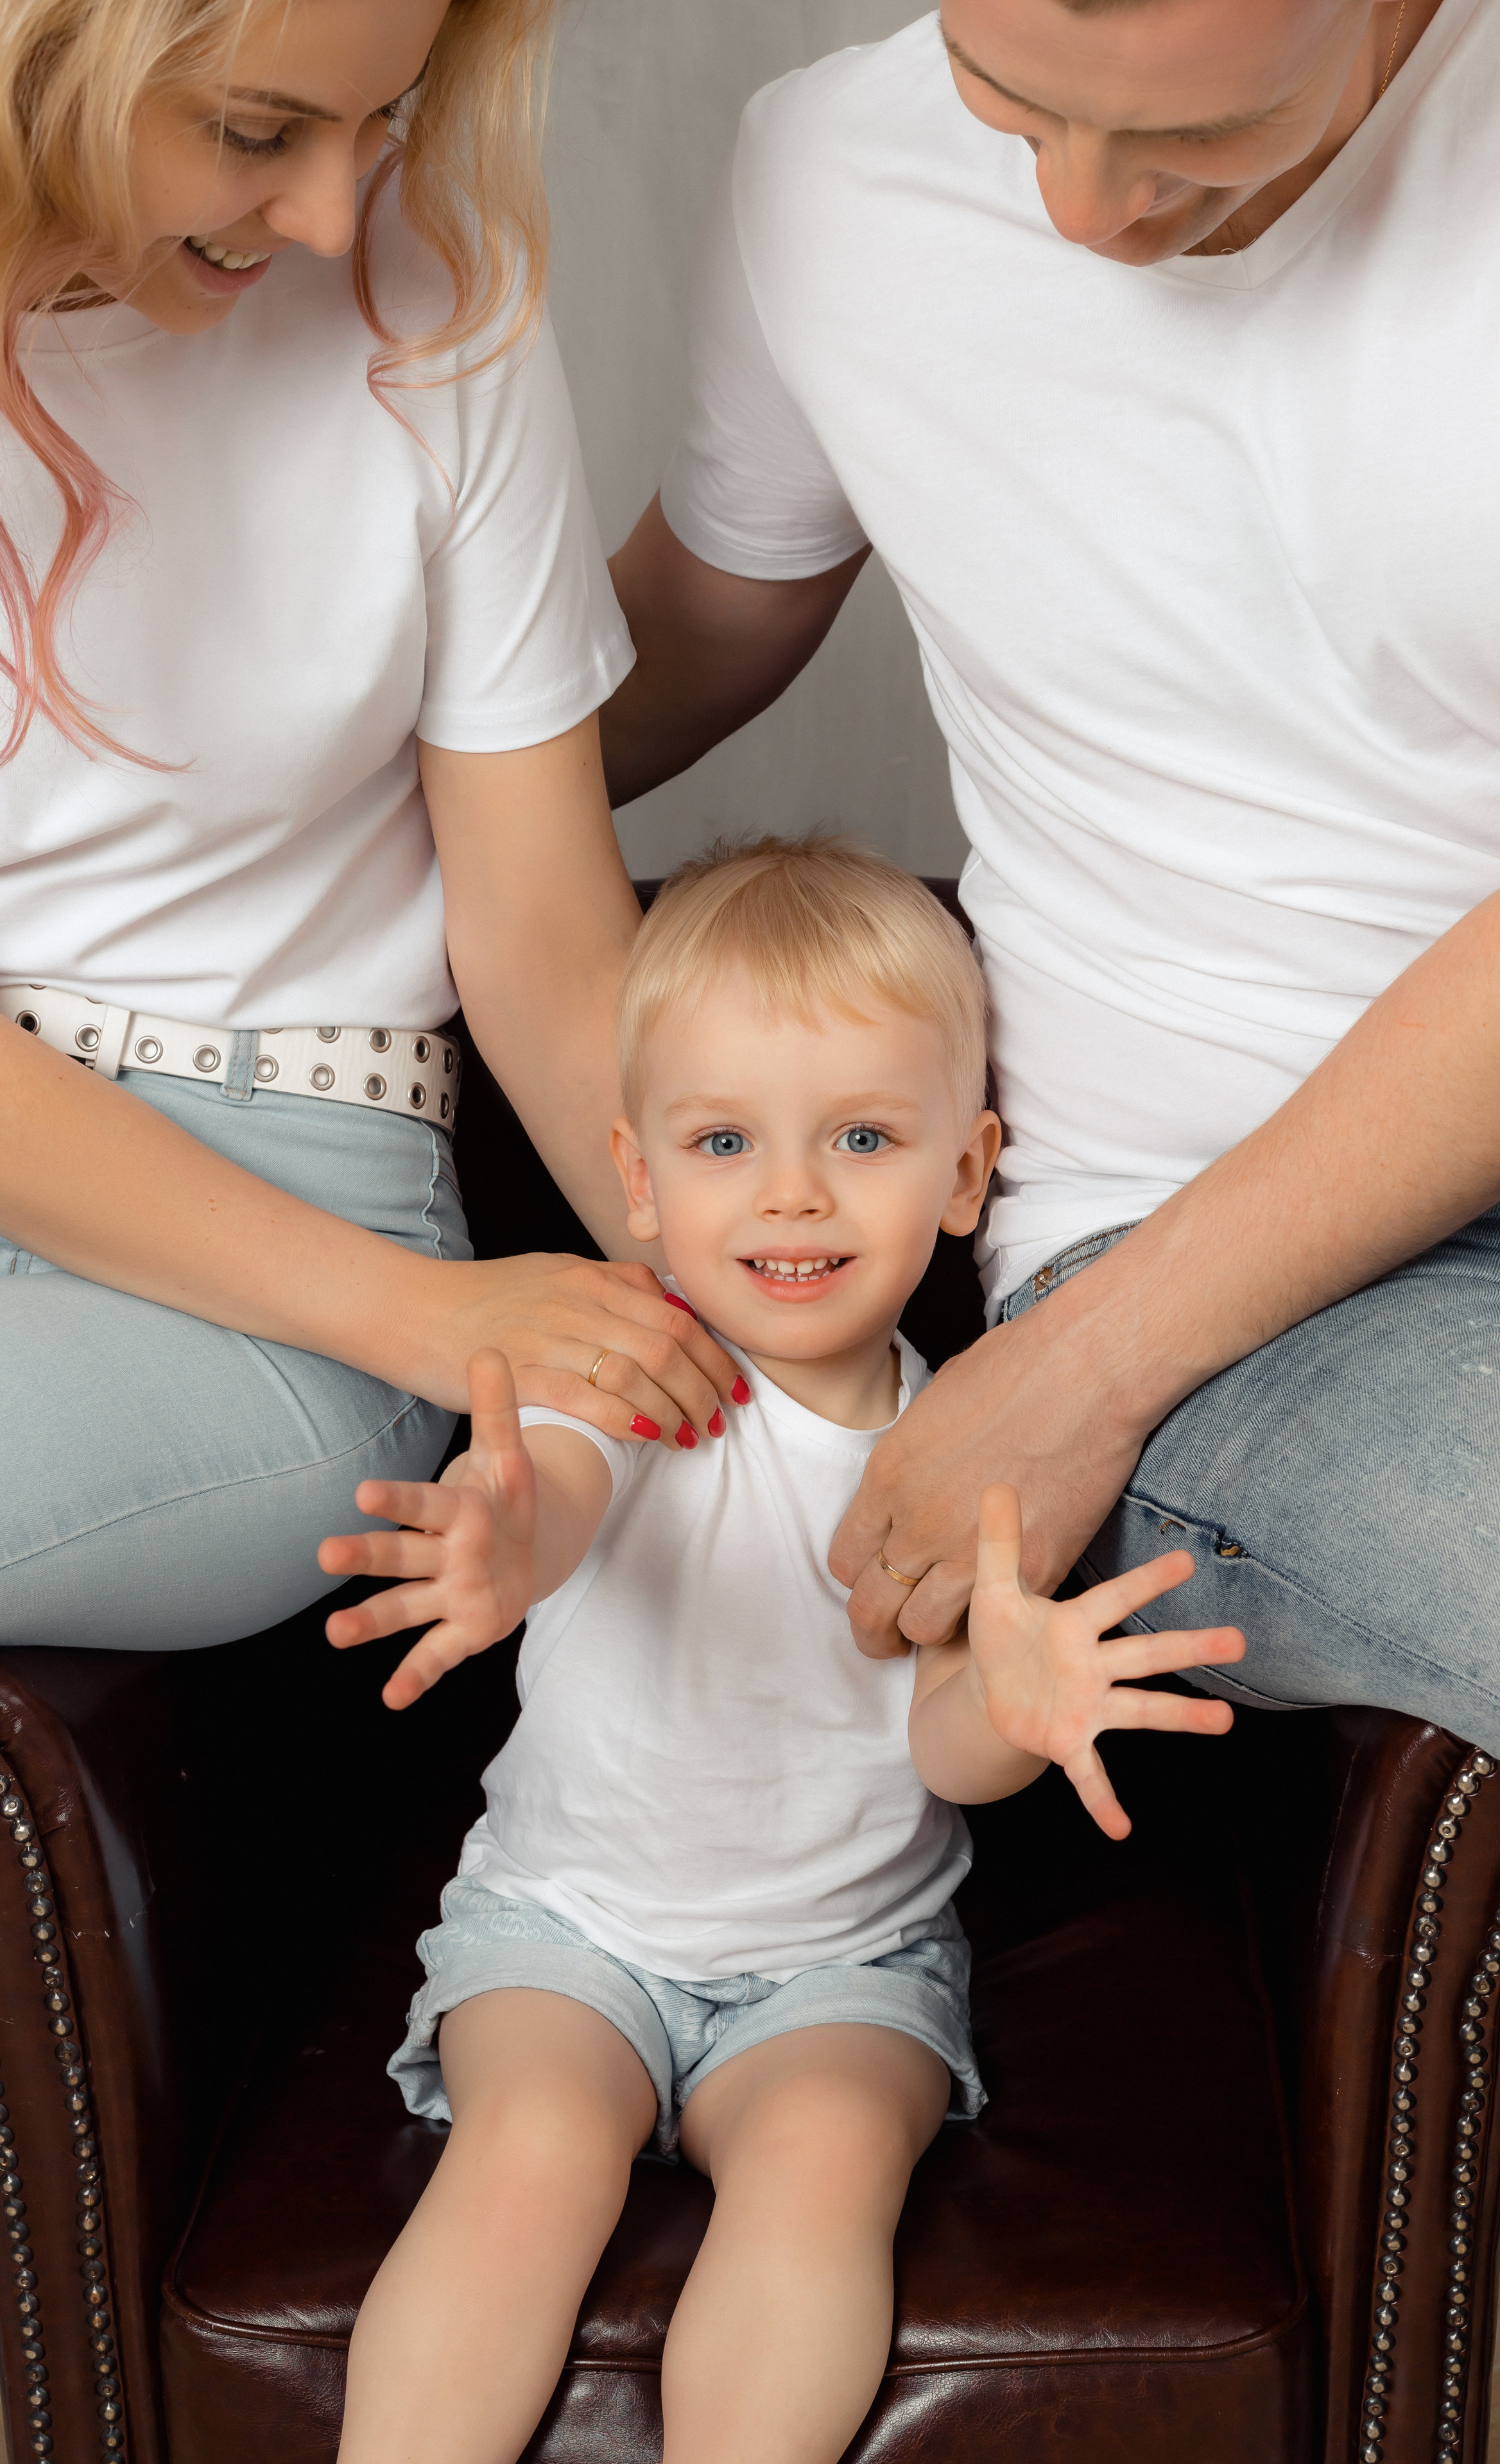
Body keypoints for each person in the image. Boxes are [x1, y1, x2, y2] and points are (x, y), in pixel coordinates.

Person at [597, 0, 1500, 2337]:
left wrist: (1065, 1393)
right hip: (1230, 1303)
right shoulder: (824, 172)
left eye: (1186, 132)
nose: (1078, 214)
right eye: (1012, 99)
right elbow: (685, 630)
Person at [316, 836, 1245, 2464]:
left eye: (864, 1138)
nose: (791, 1193)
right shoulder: (630, 1378)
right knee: (531, 2149)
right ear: (639, 1178)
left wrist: (1016, 1706)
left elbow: (937, 1746)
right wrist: (491, 1547)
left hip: (843, 1966)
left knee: (825, 2167)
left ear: (965, 1175)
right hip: (570, 1933)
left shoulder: (967, 1449)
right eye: (725, 1141)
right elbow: (553, 1496)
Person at [0, 0, 741, 1655]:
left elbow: (544, 937)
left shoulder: (431, 294)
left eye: (382, 119)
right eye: (256, 134)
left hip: (303, 1254)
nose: (336, 218)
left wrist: (753, 1327)